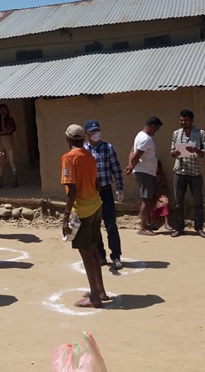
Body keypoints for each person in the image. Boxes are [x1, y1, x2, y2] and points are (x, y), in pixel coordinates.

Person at [61, 124, 108, 309]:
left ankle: (94, 297)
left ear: (68, 139)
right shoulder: (89, 155)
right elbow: (96, 183)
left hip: (82, 211)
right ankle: (100, 290)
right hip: (96, 206)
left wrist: (65, 218)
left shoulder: (68, 158)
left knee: (86, 254)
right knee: (95, 250)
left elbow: (71, 190)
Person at [83, 119, 124, 270]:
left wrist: (119, 187)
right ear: (87, 134)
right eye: (93, 132)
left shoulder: (108, 148)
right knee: (95, 226)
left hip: (105, 191)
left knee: (111, 224)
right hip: (91, 193)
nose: (96, 134)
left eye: (97, 131)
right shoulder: (83, 151)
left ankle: (116, 256)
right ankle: (100, 256)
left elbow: (116, 169)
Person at [169, 110, 205, 238]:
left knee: (198, 201)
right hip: (180, 171)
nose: (183, 123)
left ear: (191, 120)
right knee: (178, 202)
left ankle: (199, 228)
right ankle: (179, 228)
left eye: (185, 120)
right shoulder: (176, 133)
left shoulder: (200, 133)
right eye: (181, 120)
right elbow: (171, 151)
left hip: (195, 172)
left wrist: (195, 150)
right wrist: (176, 152)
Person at [125, 116, 163, 236]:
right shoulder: (145, 139)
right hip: (144, 172)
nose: (155, 132)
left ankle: (146, 220)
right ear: (152, 126)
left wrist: (130, 164)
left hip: (148, 172)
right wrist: (131, 166)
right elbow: (136, 155)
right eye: (156, 129)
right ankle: (142, 226)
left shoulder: (140, 136)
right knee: (146, 200)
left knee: (156, 194)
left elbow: (132, 151)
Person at [0, 103, 18, 188]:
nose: (3, 112)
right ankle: (0, 181)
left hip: (8, 140)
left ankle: (15, 179)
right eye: (1, 110)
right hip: (0, 141)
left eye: (4, 110)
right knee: (1, 162)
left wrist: (3, 121)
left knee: (11, 160)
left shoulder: (10, 120)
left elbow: (8, 130)